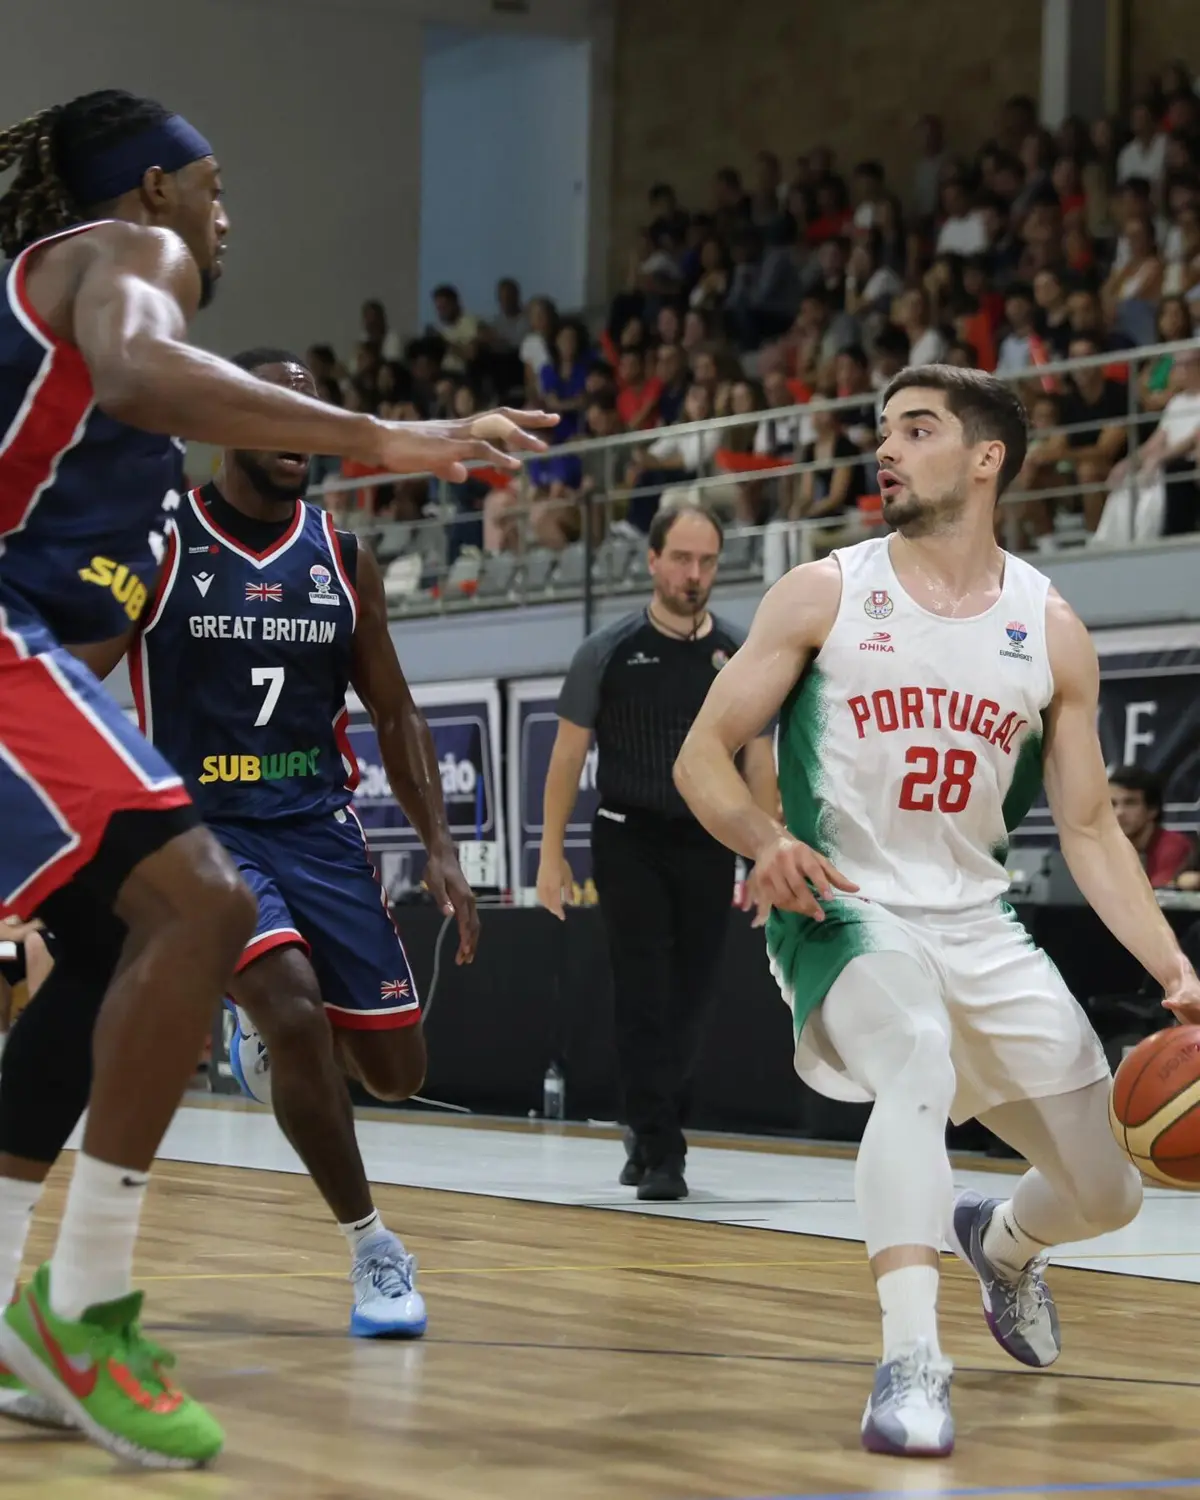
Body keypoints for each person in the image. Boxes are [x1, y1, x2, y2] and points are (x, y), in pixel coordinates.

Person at [0, 89, 553, 1468]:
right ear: (147, 190)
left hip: (74, 672)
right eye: (210, 182)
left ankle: (21, 1315)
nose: (222, 211)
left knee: (97, 949)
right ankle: (78, 1308)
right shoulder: (134, 264)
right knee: (199, 908)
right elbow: (138, 371)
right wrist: (391, 437)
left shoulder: (49, 319)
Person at [674, 364, 1200, 1457]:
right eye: (884, 432)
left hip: (980, 922)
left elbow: (1093, 829)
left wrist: (1173, 966)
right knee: (912, 1056)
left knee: (1111, 1193)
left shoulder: (1050, 629)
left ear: (986, 456)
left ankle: (1000, 1243)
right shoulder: (825, 591)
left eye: (917, 430)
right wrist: (765, 839)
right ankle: (911, 1363)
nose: (888, 450)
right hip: (843, 904)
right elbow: (702, 758)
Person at [0, 346, 480, 1354]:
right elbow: (79, 675)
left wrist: (439, 845)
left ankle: (256, 1034)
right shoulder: (165, 537)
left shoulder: (341, 557)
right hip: (205, 834)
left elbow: (390, 708)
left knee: (397, 1067)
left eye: (314, 416)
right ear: (229, 427)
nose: (300, 437)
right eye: (278, 414)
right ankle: (372, 1243)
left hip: (317, 823)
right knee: (296, 1011)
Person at [536, 505, 778, 1201]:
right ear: (652, 560)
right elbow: (565, 755)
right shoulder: (607, 650)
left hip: (710, 839)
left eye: (706, 561)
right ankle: (664, 1148)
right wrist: (551, 856)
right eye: (681, 559)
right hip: (627, 835)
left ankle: (646, 1130)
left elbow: (761, 763)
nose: (694, 574)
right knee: (643, 992)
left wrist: (768, 852)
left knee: (694, 999)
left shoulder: (739, 652)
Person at [1108, 766, 1195, 887]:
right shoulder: (1103, 845)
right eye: (1112, 804)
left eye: (1130, 803)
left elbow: (1158, 893)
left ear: (1152, 810)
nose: (1119, 813)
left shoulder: (1174, 846)